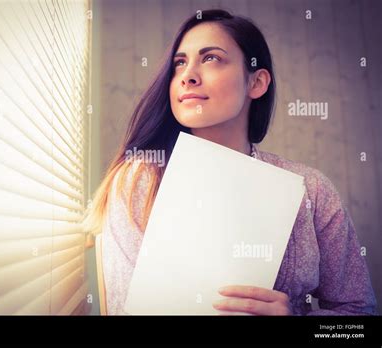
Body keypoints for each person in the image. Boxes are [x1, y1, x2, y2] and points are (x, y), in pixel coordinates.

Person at [84, 9, 377, 315]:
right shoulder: (139, 181)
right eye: (179, 63)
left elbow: (359, 316)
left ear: (257, 82)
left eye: (211, 58)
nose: (188, 76)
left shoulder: (312, 191)